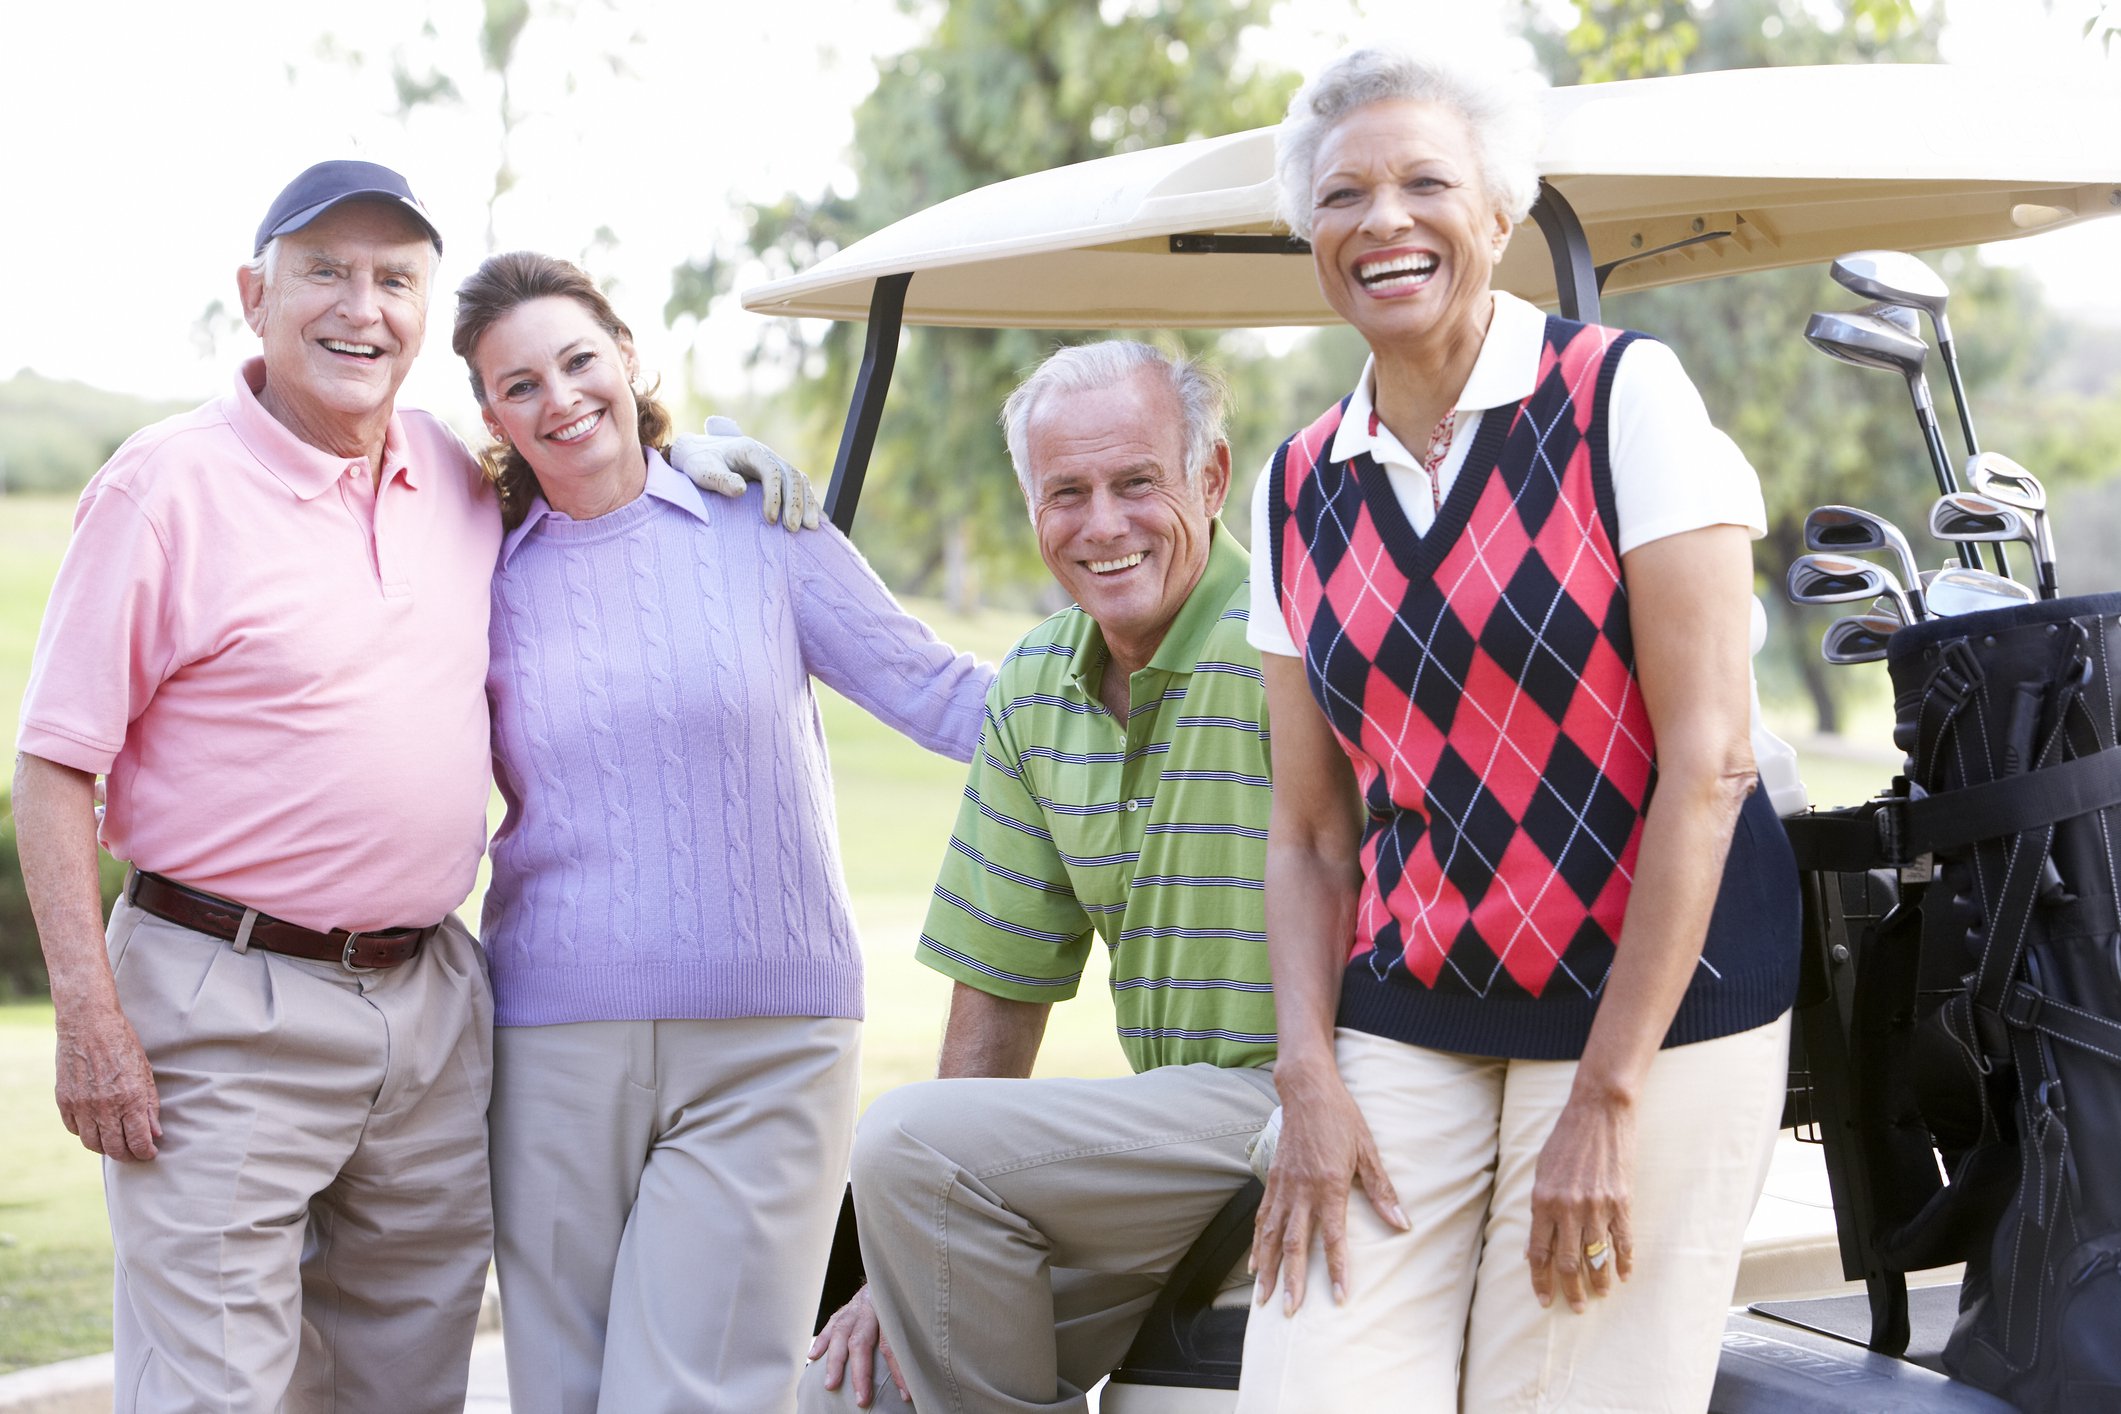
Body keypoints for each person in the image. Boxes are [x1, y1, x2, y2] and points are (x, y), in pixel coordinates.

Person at [12, 160, 812, 1414]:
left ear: (423, 311)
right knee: (211, 1387)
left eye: (394, 279)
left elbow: (590, 472)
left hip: (433, 1006)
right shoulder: (160, 488)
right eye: (325, 271)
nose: (361, 306)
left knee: (404, 1380)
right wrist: (87, 1016)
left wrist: (707, 453)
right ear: (255, 294)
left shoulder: (451, 475)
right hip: (222, 1000)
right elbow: (56, 763)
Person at [1236, 46, 1801, 1413]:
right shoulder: (1296, 482)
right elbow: (1314, 832)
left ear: (1496, 211)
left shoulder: (1623, 398)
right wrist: (1304, 1077)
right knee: (1313, 1383)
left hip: (1650, 998)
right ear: (1308, 236)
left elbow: (1710, 761)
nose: (1382, 220)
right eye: (1341, 196)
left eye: (1426, 182)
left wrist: (1607, 1099)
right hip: (1414, 998)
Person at [451, 249, 994, 1414]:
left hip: (770, 1038)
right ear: (489, 413)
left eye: (579, 360)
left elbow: (939, 693)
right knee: (564, 1390)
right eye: (520, 385)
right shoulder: (477, 567)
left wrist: (1176, 690)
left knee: (697, 1395)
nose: (561, 398)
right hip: (551, 1038)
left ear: (629, 355)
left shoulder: (756, 522)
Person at [801, 341, 1279, 1414]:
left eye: (1136, 483)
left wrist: (918, 1175)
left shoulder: (1292, 645)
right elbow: (1000, 985)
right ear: (1033, 510)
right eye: (1068, 493)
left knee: (904, 1135)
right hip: (1176, 1143)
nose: (1102, 525)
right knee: (853, 1385)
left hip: (1307, 1106)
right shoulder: (1036, 686)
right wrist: (906, 1252)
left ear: (1210, 479)